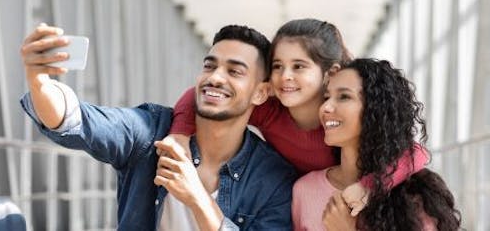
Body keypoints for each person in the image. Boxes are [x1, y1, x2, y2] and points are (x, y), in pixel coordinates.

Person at [19, 23, 296, 230]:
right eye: (209, 67)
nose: (215, 78)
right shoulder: (152, 131)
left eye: (234, 71)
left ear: (260, 93)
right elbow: (79, 121)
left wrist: (197, 198)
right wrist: (39, 82)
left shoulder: (272, 179)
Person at [168, 19, 429, 216]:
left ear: (331, 72)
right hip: (296, 202)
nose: (285, 77)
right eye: (278, 66)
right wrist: (179, 136)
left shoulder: (340, 123)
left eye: (299, 66)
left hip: (351, 203)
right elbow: (197, 94)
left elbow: (417, 153)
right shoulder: (267, 109)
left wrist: (368, 187)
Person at [297, 58, 461, 230]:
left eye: (344, 97)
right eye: (326, 97)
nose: (325, 108)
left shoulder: (414, 195)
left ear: (375, 109)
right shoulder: (304, 190)